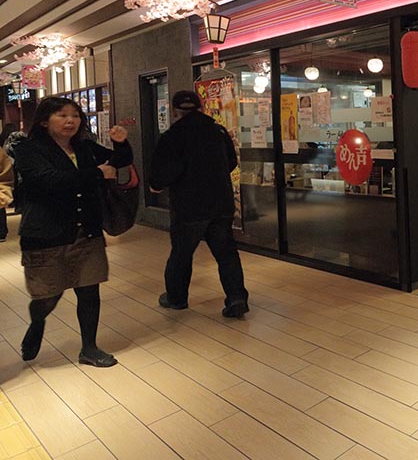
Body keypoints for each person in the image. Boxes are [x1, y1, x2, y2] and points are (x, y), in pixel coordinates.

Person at [16, 96, 131, 367]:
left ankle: (89, 348)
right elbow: (48, 181)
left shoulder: (84, 146)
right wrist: (97, 174)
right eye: (62, 115)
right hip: (46, 234)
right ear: (45, 121)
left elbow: (119, 161)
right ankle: (38, 321)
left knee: (89, 290)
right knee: (48, 295)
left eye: (76, 116)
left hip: (86, 231)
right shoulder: (28, 149)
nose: (71, 121)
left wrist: (120, 143)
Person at [149, 90, 249, 318]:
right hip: (221, 203)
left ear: (174, 111)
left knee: (182, 254)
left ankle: (176, 298)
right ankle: (237, 298)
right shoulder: (218, 131)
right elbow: (231, 162)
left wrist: (156, 185)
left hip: (189, 206)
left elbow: (162, 173)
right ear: (201, 107)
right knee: (226, 254)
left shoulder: (172, 136)